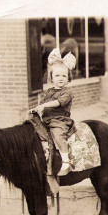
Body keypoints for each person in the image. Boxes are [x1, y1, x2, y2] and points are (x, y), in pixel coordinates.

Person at [29, 48, 76, 176]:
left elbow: (58, 102)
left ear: (68, 78)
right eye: (57, 75)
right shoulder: (49, 92)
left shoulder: (67, 92)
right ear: (51, 77)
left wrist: (44, 106)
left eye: (64, 76)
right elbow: (42, 104)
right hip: (46, 120)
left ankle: (66, 162)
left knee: (58, 134)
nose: (60, 78)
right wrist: (36, 109)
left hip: (59, 120)